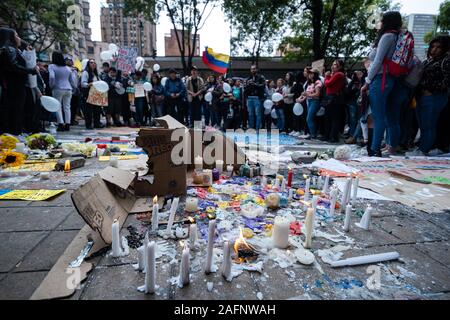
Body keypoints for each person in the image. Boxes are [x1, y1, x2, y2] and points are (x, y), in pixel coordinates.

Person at [361, 11, 403, 156]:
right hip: (391, 79)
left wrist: (367, 81)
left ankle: (374, 149)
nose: (379, 23)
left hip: (380, 79)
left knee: (378, 117)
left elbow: (377, 61)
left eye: (381, 20)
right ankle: (390, 147)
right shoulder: (398, 36)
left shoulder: (387, 36)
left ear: (387, 22)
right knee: (390, 116)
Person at [415, 35, 450, 155]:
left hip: (435, 97)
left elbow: (447, 80)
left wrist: (432, 89)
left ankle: (424, 149)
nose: (434, 49)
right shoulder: (429, 60)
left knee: (429, 124)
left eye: (438, 47)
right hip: (422, 96)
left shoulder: (446, 60)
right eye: (433, 46)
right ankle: (423, 147)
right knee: (423, 124)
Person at [0, 27, 38, 135]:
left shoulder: (10, 49)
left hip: (12, 86)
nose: (19, 38)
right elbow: (14, 66)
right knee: (16, 111)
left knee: (14, 110)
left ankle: (13, 133)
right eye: (16, 35)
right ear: (10, 37)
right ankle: (14, 134)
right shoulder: (9, 49)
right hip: (15, 87)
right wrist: (31, 70)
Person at [49, 51, 77, 131]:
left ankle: (61, 124)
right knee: (67, 107)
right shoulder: (68, 68)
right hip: (68, 89)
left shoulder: (52, 66)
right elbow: (72, 80)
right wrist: (73, 88)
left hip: (57, 88)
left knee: (58, 107)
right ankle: (67, 124)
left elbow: (51, 77)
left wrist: (51, 85)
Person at [323, 59, 347, 142]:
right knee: (328, 118)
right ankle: (328, 136)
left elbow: (327, 83)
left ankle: (333, 137)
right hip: (331, 97)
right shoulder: (335, 74)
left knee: (334, 118)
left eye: (335, 64)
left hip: (334, 98)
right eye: (332, 64)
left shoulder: (339, 74)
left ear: (340, 66)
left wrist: (327, 76)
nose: (332, 66)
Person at [298, 68, 322, 139]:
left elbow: (317, 94)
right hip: (310, 101)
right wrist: (301, 98)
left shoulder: (318, 82)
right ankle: (312, 134)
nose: (309, 74)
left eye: (311, 73)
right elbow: (307, 93)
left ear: (315, 74)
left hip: (315, 101)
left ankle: (313, 135)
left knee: (309, 119)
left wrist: (307, 95)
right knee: (310, 118)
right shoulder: (309, 83)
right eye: (309, 73)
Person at [81, 59, 104, 129]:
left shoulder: (96, 74)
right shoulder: (85, 72)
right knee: (88, 110)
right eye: (91, 62)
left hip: (96, 94)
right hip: (88, 94)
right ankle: (89, 124)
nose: (93, 64)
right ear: (88, 64)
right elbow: (83, 83)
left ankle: (97, 123)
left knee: (97, 110)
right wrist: (89, 84)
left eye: (94, 62)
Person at [345, 71, 365, 144]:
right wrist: (355, 88)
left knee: (359, 119)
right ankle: (352, 135)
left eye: (360, 73)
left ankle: (358, 137)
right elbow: (348, 91)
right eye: (357, 74)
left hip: (360, 103)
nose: (359, 75)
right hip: (352, 102)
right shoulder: (353, 82)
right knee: (353, 120)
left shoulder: (364, 81)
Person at [244, 65, 266, 130]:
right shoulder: (248, 78)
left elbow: (263, 86)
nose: (252, 70)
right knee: (250, 114)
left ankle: (257, 128)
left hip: (257, 98)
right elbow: (245, 88)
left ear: (256, 70)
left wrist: (255, 84)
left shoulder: (261, 77)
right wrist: (248, 84)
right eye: (251, 69)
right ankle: (251, 128)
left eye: (254, 69)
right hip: (249, 97)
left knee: (258, 114)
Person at [290, 71, 305, 136]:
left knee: (298, 116)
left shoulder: (300, 84)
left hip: (299, 100)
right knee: (295, 116)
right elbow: (292, 90)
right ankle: (295, 129)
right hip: (296, 100)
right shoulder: (297, 84)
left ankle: (299, 130)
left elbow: (292, 90)